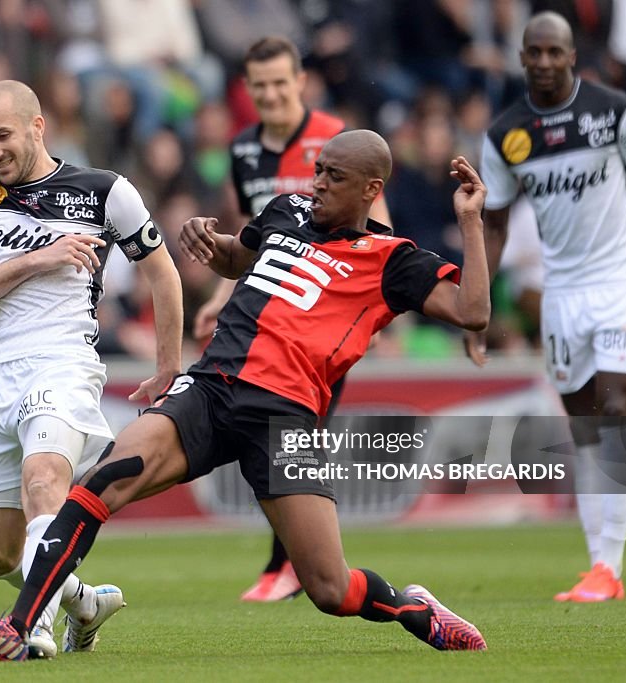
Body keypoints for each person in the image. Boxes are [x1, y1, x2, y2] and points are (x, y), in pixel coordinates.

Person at [0, 130, 491, 661]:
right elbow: (241, 257)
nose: (318, 183)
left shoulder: (391, 259)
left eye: (334, 176)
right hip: (210, 389)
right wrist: (211, 244)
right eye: (318, 169)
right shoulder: (287, 211)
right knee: (98, 485)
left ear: (371, 190)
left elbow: (473, 312)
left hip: (285, 418)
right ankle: (20, 627)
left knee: (328, 587)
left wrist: (469, 222)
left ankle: (412, 606)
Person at [0, 80, 184, 658]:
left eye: (2, 136)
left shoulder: (104, 191)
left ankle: (32, 628)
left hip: (64, 364)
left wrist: (169, 366)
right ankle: (84, 603)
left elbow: (163, 275)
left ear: (37, 126)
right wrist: (40, 258)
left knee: (43, 481)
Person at [467, 11, 626, 602]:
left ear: (570, 56)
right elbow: (497, 226)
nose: (542, 62)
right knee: (587, 427)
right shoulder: (506, 135)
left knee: (616, 408)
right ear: (522, 59)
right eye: (532, 53)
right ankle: (598, 567)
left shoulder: (615, 110)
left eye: (552, 52)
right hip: (563, 293)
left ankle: (609, 566)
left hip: (623, 280)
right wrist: (475, 305)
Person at [195, 35, 392, 602]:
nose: (272, 94)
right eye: (260, 86)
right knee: (281, 430)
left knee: (300, 428)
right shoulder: (242, 150)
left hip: (326, 311)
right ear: (248, 91)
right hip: (266, 308)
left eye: (281, 82)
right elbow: (249, 237)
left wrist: (376, 307)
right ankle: (289, 562)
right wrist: (218, 294)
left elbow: (377, 223)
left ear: (300, 81)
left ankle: (290, 562)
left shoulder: (334, 138)